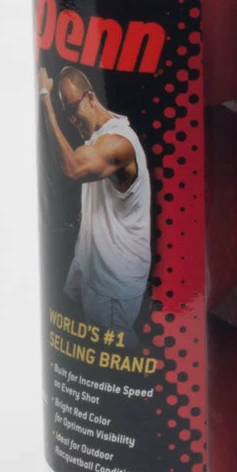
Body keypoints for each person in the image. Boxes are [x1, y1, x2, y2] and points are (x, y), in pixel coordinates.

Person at [38, 65, 151, 346]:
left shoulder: (118, 143)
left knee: (118, 352)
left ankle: (153, 374)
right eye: (66, 113)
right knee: (87, 340)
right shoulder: (98, 137)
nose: (72, 119)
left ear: (90, 98)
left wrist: (45, 98)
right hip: (93, 265)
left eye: (73, 109)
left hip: (112, 279)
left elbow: (73, 168)